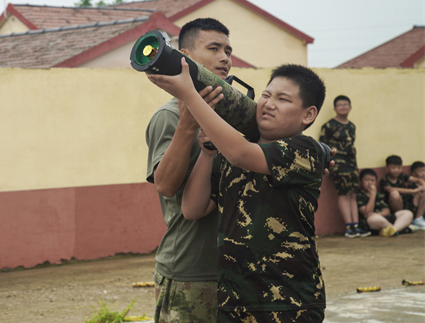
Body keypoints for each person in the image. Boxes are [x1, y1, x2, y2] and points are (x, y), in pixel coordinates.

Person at [147, 62, 328, 323]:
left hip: (290, 303)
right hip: (235, 304)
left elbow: (241, 153)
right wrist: (208, 154)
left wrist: (189, 95)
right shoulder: (230, 154)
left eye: (283, 99)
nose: (268, 103)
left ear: (308, 115)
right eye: (266, 95)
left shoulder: (305, 151)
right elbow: (192, 209)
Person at [145, 18, 232, 323]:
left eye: (228, 50)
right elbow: (165, 186)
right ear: (186, 56)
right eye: (214, 48)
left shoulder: (233, 113)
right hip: (190, 272)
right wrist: (188, 124)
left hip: (237, 269)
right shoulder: (169, 117)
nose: (225, 58)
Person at [319, 95, 370, 238]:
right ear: (335, 108)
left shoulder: (351, 126)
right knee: (343, 193)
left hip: (352, 164)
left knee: (353, 193)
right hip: (338, 165)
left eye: (346, 104)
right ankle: (349, 227)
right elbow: (323, 146)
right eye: (340, 105)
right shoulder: (329, 126)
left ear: (350, 107)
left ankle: (356, 225)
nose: (343, 107)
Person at [356, 169, 414, 236]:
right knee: (374, 218)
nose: (370, 183)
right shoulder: (359, 195)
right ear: (360, 181)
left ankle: (393, 229)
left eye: (372, 180)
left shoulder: (379, 194)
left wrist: (378, 214)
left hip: (383, 218)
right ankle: (398, 229)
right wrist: (373, 195)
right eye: (366, 180)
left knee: (408, 213)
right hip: (369, 222)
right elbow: (366, 213)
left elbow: (387, 211)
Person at [380, 155, 425, 230]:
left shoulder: (402, 175)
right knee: (394, 194)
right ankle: (402, 219)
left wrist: (423, 185)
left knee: (423, 191)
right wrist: (412, 191)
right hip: (396, 208)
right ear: (387, 168)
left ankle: (418, 219)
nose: (396, 170)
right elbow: (391, 189)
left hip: (408, 202)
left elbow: (418, 180)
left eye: (399, 167)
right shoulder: (384, 180)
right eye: (393, 168)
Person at [407, 161, 425, 229]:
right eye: (420, 171)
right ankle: (418, 219)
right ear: (413, 173)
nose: (424, 173)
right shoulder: (412, 185)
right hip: (414, 209)